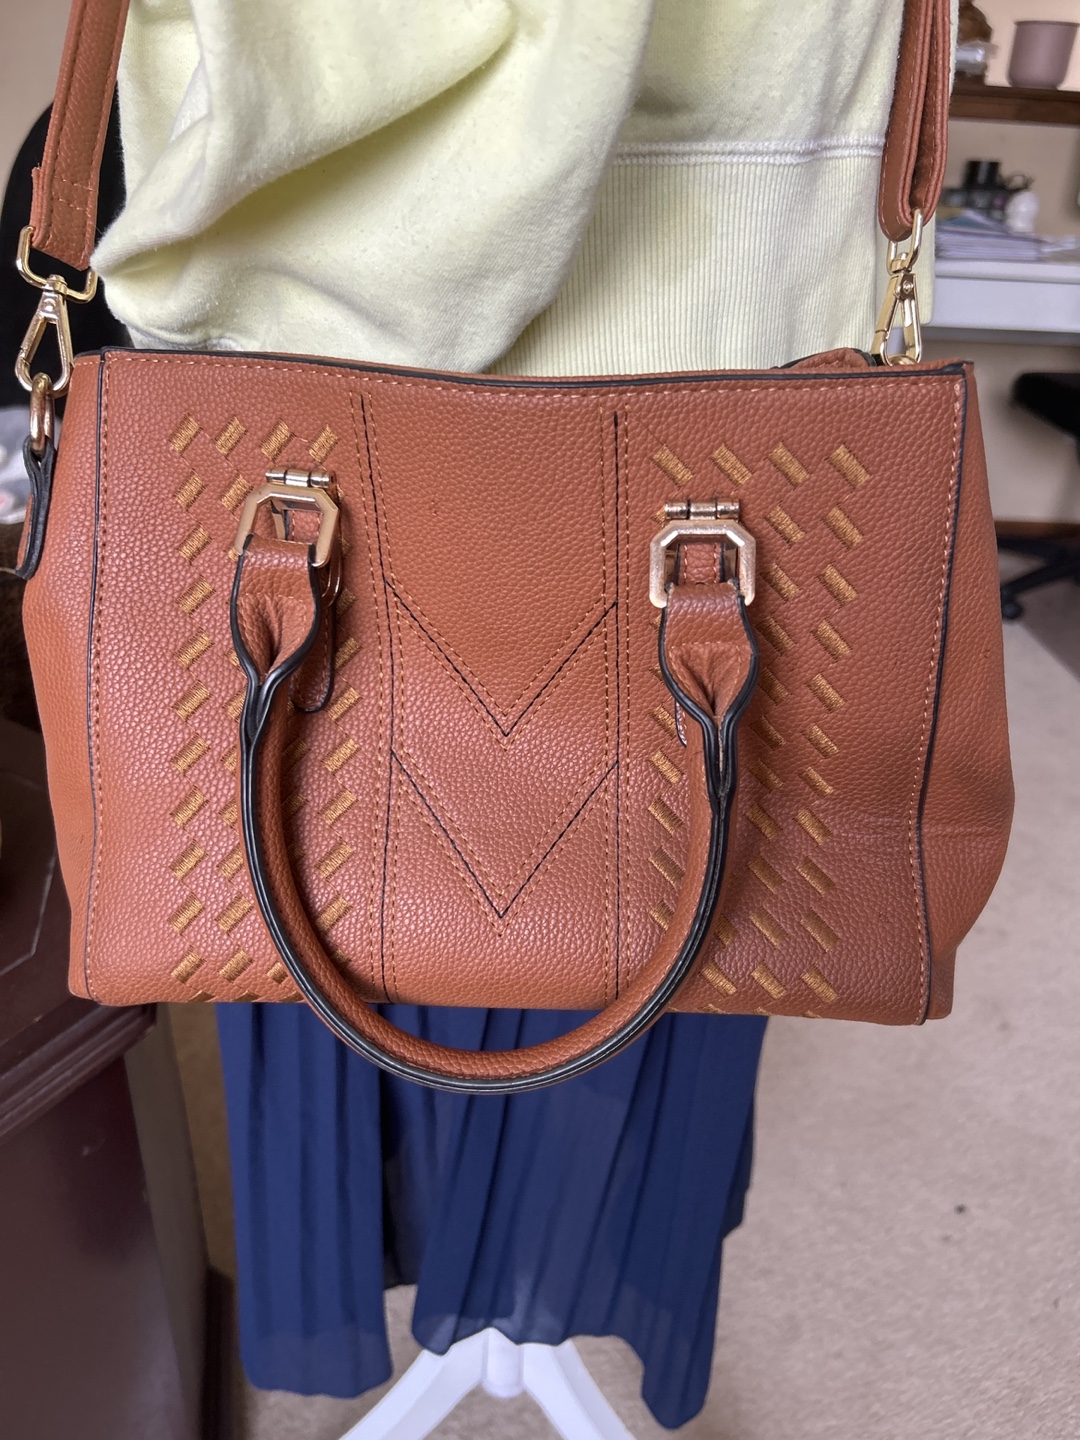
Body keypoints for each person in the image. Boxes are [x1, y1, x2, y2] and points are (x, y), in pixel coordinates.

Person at [88, 1, 924, 1426]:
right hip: (750, 388)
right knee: (693, 894)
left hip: (299, 432)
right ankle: (546, 1288)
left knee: (298, 877)